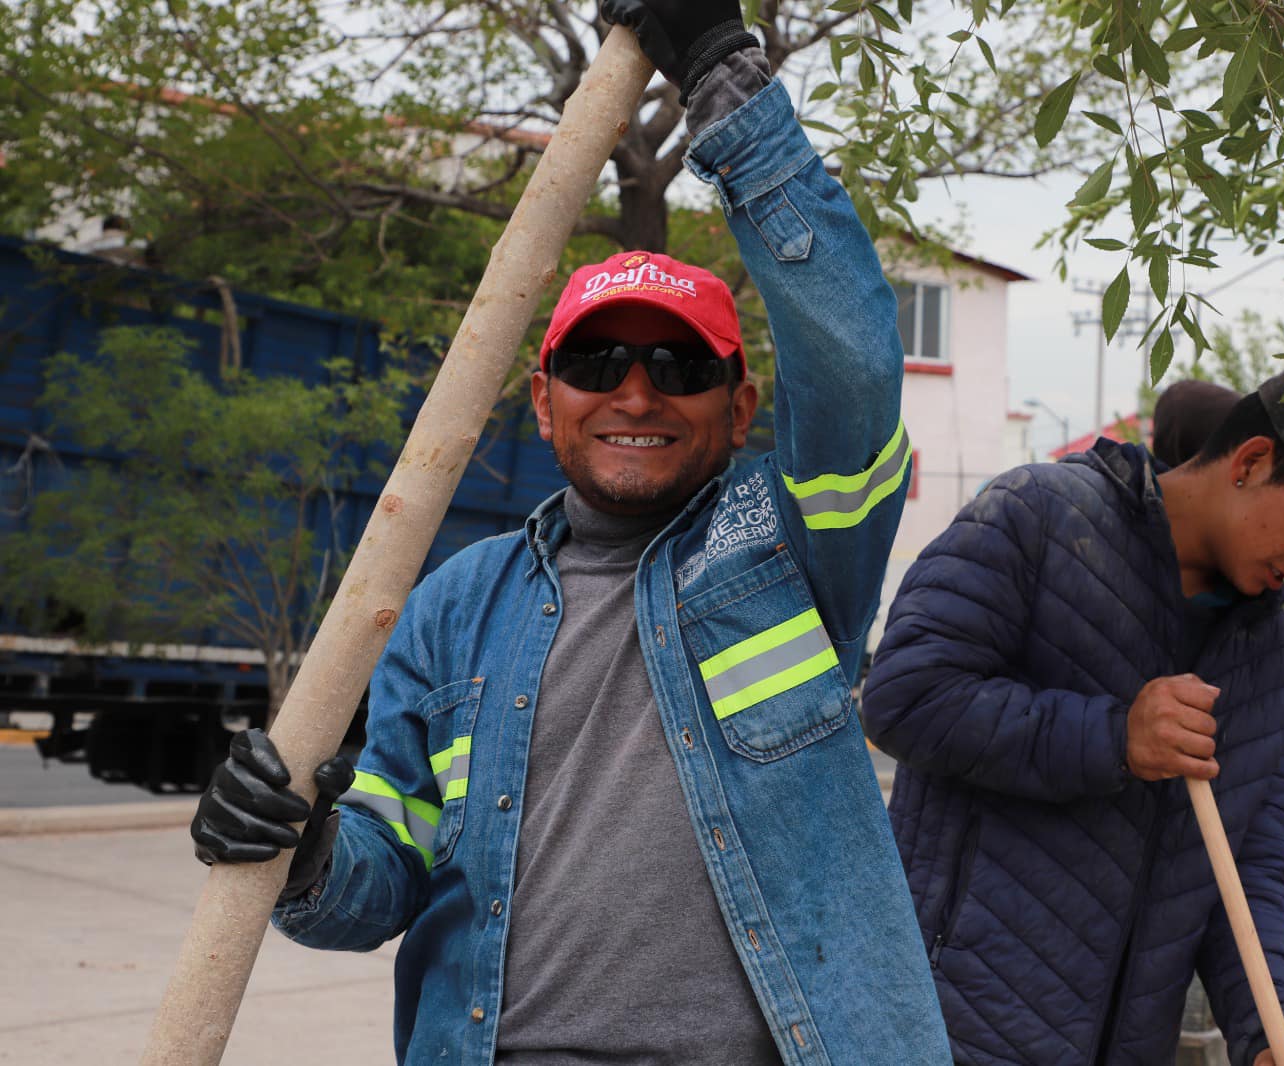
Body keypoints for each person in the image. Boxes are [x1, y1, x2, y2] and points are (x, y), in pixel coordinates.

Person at [186, 4, 950, 1063]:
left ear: (739, 409)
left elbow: (855, 358)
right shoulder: (455, 605)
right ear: (544, 402)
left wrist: (723, 73)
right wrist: (301, 853)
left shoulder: (789, 542)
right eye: (598, 365)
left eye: (679, 367)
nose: (636, 392)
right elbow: (378, 880)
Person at [863, 359, 1284, 1066]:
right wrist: (1114, 737)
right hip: (944, 1031)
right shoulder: (1037, 516)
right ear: (1251, 461)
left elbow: (1249, 884)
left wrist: (1274, 1037)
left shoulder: (1277, 667)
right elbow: (902, 698)